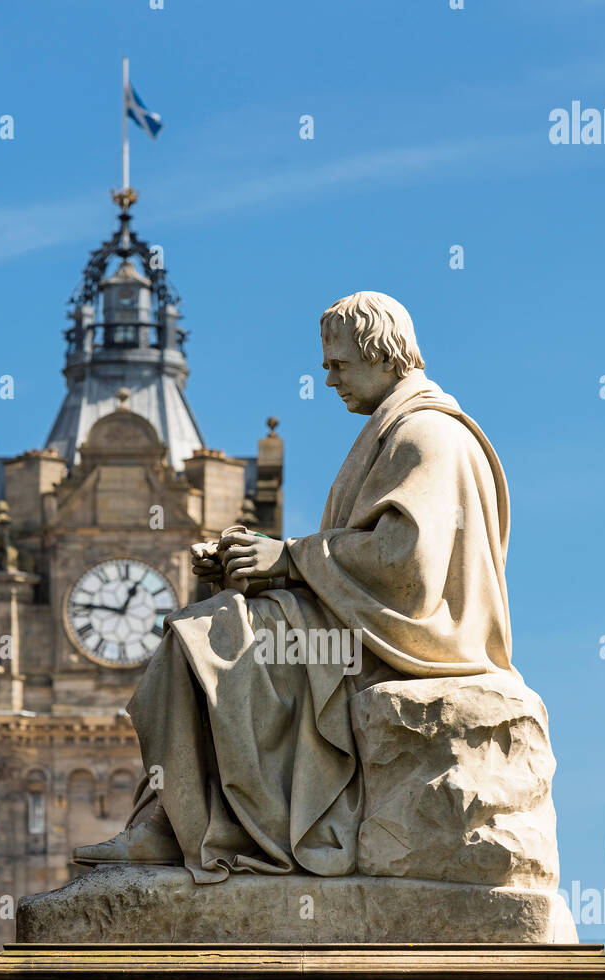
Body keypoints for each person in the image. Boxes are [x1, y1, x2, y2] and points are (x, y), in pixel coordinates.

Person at [76, 291, 514, 882]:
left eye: (338, 364)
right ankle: (176, 818)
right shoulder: (396, 430)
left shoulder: (425, 435)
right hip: (372, 627)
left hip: (409, 644)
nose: (326, 378)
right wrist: (254, 566)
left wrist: (286, 558)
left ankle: (185, 824)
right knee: (214, 626)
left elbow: (405, 562)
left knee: (205, 639)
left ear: (383, 356)